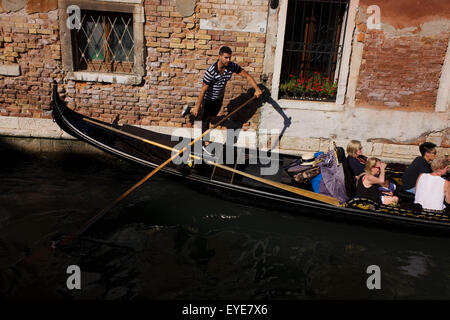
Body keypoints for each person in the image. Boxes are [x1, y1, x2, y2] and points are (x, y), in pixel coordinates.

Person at [191, 46, 263, 156]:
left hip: (219, 99)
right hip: (209, 99)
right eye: (226, 58)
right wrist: (197, 106)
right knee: (206, 119)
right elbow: (203, 90)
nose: (228, 60)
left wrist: (257, 89)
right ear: (219, 57)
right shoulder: (211, 72)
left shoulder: (231, 66)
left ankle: (193, 112)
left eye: (229, 58)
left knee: (212, 117)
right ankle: (205, 143)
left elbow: (247, 76)